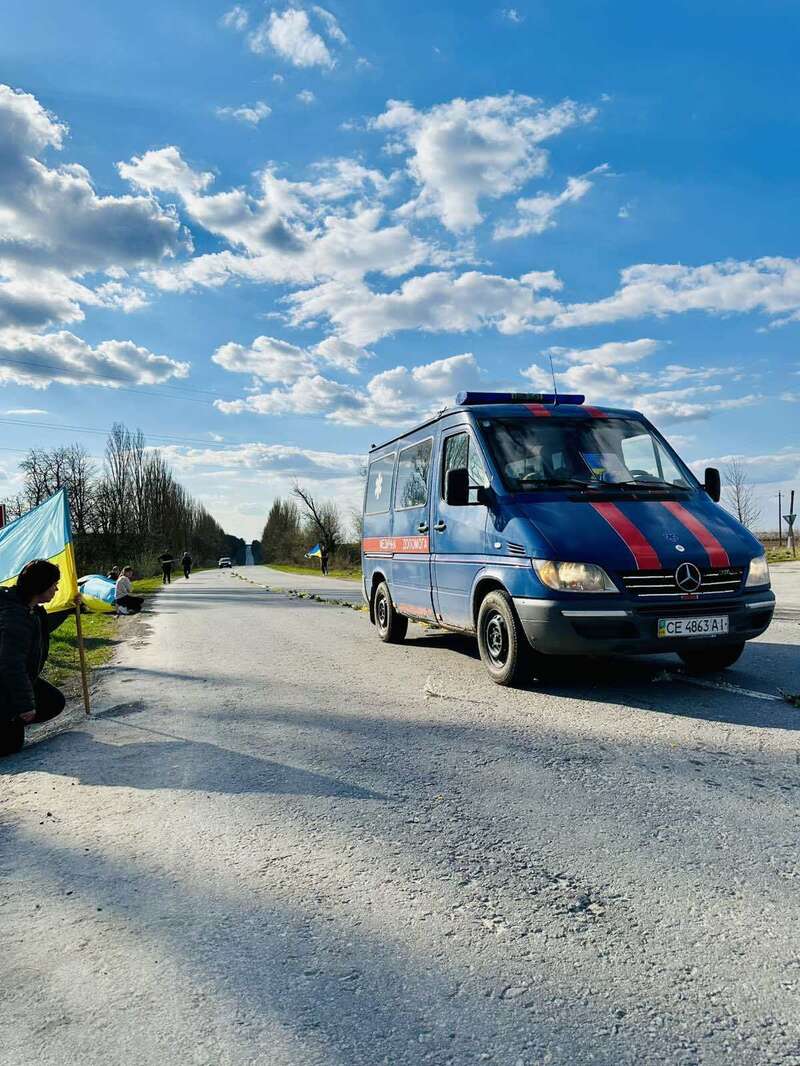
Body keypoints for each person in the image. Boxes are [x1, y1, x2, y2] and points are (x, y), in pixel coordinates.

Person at [0, 559, 67, 757]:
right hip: (4, 680)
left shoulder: (28, 606)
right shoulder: (14, 618)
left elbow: (40, 629)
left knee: (53, 702)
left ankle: (10, 719)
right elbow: (11, 664)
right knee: (10, 747)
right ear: (41, 585)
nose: (57, 588)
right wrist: (25, 705)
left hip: (13, 678)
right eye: (54, 584)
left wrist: (70, 608)